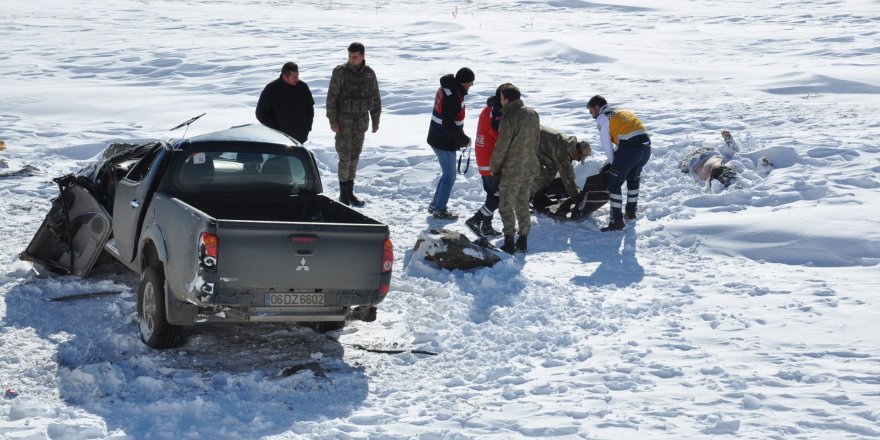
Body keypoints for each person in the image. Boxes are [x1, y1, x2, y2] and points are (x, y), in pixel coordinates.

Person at [326, 42, 382, 207]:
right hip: (344, 123)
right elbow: (332, 98)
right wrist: (333, 120)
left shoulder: (369, 74)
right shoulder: (340, 72)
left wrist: (376, 120)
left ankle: (350, 192)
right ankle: (343, 194)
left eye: (355, 57)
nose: (352, 59)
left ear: (363, 56)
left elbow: (375, 98)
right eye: (350, 56)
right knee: (345, 158)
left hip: (360, 123)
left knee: (355, 158)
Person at [586, 95, 651, 232]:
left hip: (630, 150)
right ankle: (631, 212)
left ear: (597, 107)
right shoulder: (622, 112)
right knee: (633, 179)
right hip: (645, 148)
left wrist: (613, 164)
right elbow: (626, 136)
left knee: (613, 183)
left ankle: (617, 221)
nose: (592, 115)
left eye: (591, 111)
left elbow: (606, 144)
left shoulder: (603, 117)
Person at [490, 84, 540, 254]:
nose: (500, 101)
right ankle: (523, 241)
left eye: (501, 98)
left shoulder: (509, 116)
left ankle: (509, 243)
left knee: (505, 206)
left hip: (512, 170)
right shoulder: (532, 113)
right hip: (529, 167)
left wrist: (494, 166)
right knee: (522, 205)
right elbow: (536, 141)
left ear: (507, 99)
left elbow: (502, 145)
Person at [426, 67, 475, 220]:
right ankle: (439, 210)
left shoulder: (448, 89)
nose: (471, 85)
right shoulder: (453, 96)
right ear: (463, 82)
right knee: (449, 176)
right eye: (470, 82)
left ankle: (435, 205)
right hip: (443, 140)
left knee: (447, 174)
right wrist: (463, 139)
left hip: (437, 137)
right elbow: (448, 124)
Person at [465, 86, 504, 237]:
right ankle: (475, 220)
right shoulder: (494, 113)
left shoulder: (488, 109)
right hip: (490, 161)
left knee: (491, 195)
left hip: (484, 158)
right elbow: (497, 135)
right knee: (496, 198)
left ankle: (486, 226)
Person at [531, 125, 591, 209]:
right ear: (577, 151)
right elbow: (567, 176)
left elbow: (568, 169)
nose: (578, 161)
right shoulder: (563, 152)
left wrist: (575, 187)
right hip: (525, 144)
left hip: (537, 144)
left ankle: (540, 193)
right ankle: (526, 197)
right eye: (580, 158)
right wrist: (576, 197)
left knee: (553, 167)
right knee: (541, 175)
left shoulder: (569, 144)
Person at [255, 62, 315, 144]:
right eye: (294, 76)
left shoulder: (302, 87)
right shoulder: (271, 89)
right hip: (278, 139)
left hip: (299, 138)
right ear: (285, 76)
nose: (297, 79)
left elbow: (309, 109)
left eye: (297, 75)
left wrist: (307, 127)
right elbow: (261, 113)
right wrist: (275, 130)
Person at [680, 130, 747, 189]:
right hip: (715, 168)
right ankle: (727, 176)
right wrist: (728, 138)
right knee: (719, 166)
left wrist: (728, 138)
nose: (700, 150)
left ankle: (726, 176)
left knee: (718, 166)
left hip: (715, 168)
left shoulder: (695, 161)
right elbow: (733, 150)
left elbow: (733, 151)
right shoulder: (693, 162)